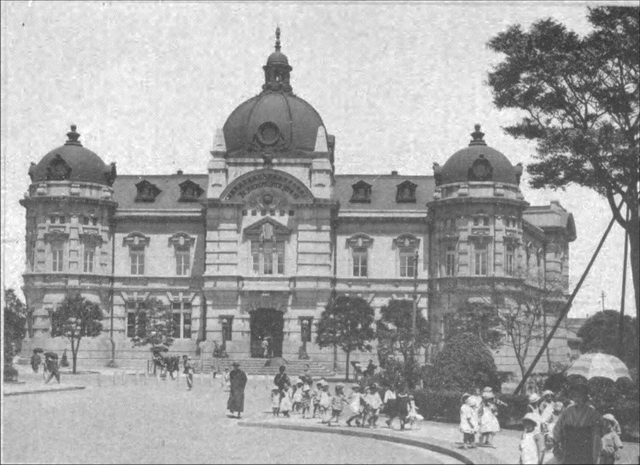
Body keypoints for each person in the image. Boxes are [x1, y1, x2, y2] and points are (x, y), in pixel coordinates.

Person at [552, 383, 604, 464]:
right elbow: (558, 427)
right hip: (570, 445)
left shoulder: (592, 411)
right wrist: (556, 443)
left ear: (585, 397)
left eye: (581, 396)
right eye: (576, 396)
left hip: (585, 447)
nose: (578, 399)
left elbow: (598, 431)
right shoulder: (568, 410)